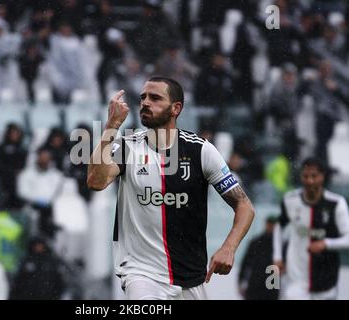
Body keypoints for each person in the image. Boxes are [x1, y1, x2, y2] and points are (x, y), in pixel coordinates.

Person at [87, 76, 255, 300]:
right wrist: (111, 127)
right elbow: (96, 182)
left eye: (155, 98)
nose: (145, 102)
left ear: (176, 108)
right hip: (141, 273)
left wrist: (229, 247)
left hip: (191, 277)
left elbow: (244, 205)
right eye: (143, 97)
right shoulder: (127, 147)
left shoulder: (201, 151)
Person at [273, 157, 349, 300]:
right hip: (296, 280)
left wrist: (326, 244)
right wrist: (277, 257)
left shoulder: (336, 203)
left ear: (322, 176)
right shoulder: (290, 200)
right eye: (305, 176)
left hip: (326, 281)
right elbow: (279, 227)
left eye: (314, 176)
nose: (310, 181)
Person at [238, 216, 279, 300]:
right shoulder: (255, 242)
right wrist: (241, 281)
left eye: (273, 225)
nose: (271, 227)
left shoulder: (279, 244)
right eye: (270, 224)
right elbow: (245, 263)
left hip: (273, 282)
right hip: (255, 281)